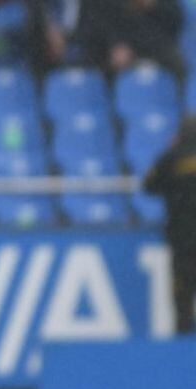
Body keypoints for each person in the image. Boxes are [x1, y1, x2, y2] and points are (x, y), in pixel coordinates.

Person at [31, 0, 183, 76]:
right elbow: (105, 22)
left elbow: (174, 19)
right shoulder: (38, 7)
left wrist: (152, 4)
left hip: (147, 50)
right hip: (95, 53)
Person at [144, 116, 196, 336]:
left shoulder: (170, 158)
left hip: (181, 235)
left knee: (182, 286)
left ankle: (182, 334)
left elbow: (149, 186)